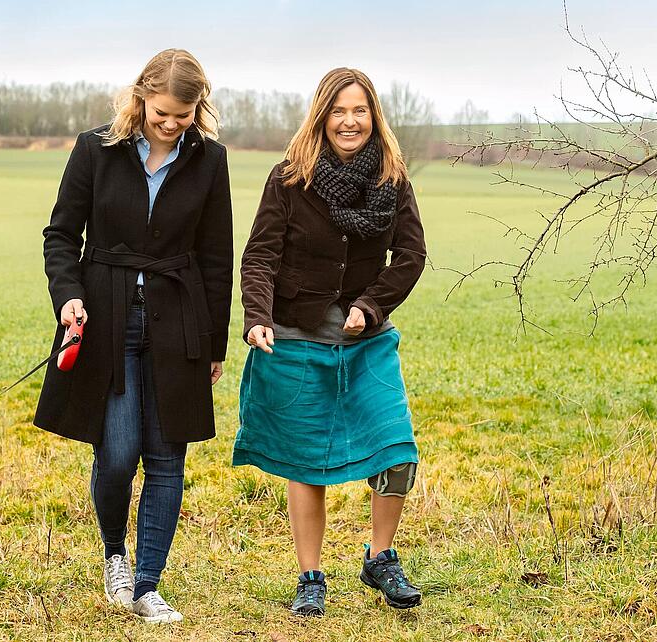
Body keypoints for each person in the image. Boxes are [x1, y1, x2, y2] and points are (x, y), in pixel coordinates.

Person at [35, 48, 233, 624]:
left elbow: (217, 256)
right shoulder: (95, 149)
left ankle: (147, 583)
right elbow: (60, 235)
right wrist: (67, 295)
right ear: (141, 95)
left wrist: (214, 343)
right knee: (118, 454)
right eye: (161, 112)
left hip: (180, 318)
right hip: (106, 315)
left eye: (183, 114)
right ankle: (115, 554)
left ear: (199, 108)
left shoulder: (209, 161)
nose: (171, 124)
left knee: (168, 458)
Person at [235, 67, 426, 616]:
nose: (349, 121)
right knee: (305, 461)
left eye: (359, 110)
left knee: (396, 449)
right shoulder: (290, 178)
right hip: (296, 336)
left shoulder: (393, 178)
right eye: (339, 111)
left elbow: (410, 256)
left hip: (367, 341)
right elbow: (261, 255)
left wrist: (370, 307)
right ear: (322, 116)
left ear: (374, 117)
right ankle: (311, 576)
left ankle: (380, 558)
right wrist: (257, 316)